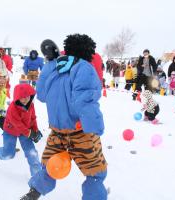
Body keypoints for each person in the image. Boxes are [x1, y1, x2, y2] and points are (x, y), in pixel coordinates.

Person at [20, 34, 107, 200]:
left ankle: (34, 192)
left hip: (57, 132)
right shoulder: (84, 68)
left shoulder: (53, 67)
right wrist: (96, 127)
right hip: (81, 133)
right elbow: (85, 102)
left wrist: (49, 64)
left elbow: (42, 95)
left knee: (50, 167)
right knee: (95, 172)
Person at [0, 83, 42, 177]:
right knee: (9, 154)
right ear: (17, 97)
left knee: (32, 154)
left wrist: (36, 130)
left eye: (28, 96)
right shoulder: (12, 108)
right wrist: (30, 133)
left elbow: (33, 118)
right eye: (23, 97)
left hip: (25, 131)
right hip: (11, 131)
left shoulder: (31, 105)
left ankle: (37, 178)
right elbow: (17, 124)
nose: (26, 99)